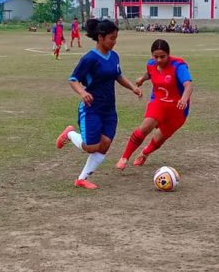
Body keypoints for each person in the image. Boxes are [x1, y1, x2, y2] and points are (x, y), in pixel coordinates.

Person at [54, 19, 143, 189]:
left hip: (109, 110)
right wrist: (83, 92)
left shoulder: (114, 56)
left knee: (105, 145)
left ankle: (81, 179)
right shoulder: (90, 58)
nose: (114, 42)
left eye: (116, 38)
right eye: (112, 38)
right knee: (90, 147)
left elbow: (118, 75)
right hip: (91, 109)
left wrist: (132, 87)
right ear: (101, 37)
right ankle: (70, 134)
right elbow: (73, 79)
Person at [117, 38, 194, 170]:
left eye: (162, 56)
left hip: (177, 109)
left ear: (168, 54)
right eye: (155, 56)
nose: (159, 60)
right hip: (158, 102)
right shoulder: (151, 64)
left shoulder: (178, 66)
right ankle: (124, 157)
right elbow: (150, 73)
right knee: (145, 127)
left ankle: (145, 153)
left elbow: (188, 85)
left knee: (160, 138)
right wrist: (142, 79)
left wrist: (184, 99)